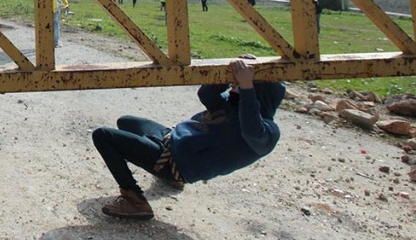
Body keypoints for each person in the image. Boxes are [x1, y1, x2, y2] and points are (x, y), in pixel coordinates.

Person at [91, 58, 285, 220]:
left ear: (258, 95)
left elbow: (252, 129)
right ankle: (170, 180)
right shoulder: (231, 104)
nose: (236, 85)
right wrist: (231, 73)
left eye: (243, 84)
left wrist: (247, 88)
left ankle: (135, 200)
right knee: (126, 122)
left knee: (103, 136)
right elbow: (206, 94)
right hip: (170, 140)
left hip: (174, 163)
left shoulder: (267, 132)